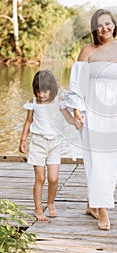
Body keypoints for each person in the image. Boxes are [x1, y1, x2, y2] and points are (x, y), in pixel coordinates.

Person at [65, 9, 117, 231]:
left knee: (110, 160)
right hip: (92, 111)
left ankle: (92, 204)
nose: (104, 28)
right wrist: (77, 110)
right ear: (94, 29)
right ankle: (103, 210)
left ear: (114, 25)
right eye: (100, 25)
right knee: (95, 159)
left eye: (108, 24)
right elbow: (76, 83)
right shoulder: (87, 51)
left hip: (115, 112)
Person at [19, 69, 79, 221]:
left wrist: (76, 122)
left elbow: (68, 117)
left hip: (54, 144)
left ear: (52, 89)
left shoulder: (59, 102)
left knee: (53, 178)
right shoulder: (33, 103)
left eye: (45, 91)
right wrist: (23, 140)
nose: (41, 95)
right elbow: (28, 121)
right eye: (38, 91)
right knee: (40, 178)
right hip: (38, 143)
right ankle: (38, 209)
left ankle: (50, 203)